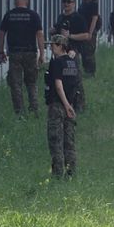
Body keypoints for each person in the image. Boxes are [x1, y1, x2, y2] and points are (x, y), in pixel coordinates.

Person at [0, 0, 44, 116]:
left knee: (15, 83)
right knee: (31, 82)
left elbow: (2, 34)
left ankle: (19, 112)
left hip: (15, 53)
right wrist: (42, 54)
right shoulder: (33, 15)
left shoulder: (9, 15)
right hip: (30, 52)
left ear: (15, 1)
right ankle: (34, 109)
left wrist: (1, 51)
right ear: (26, 1)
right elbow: (39, 34)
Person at [43, 33, 82, 178]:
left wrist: (65, 105)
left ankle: (57, 173)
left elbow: (58, 86)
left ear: (60, 46)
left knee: (56, 140)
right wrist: (71, 105)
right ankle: (71, 172)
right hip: (70, 105)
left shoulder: (58, 63)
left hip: (58, 105)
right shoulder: (72, 63)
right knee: (69, 141)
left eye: (53, 45)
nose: (51, 48)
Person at [75, 0, 102, 77]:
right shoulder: (82, 5)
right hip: (82, 31)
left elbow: (95, 18)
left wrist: (90, 33)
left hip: (90, 31)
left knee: (89, 52)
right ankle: (86, 70)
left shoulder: (94, 4)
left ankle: (91, 72)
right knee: (83, 51)